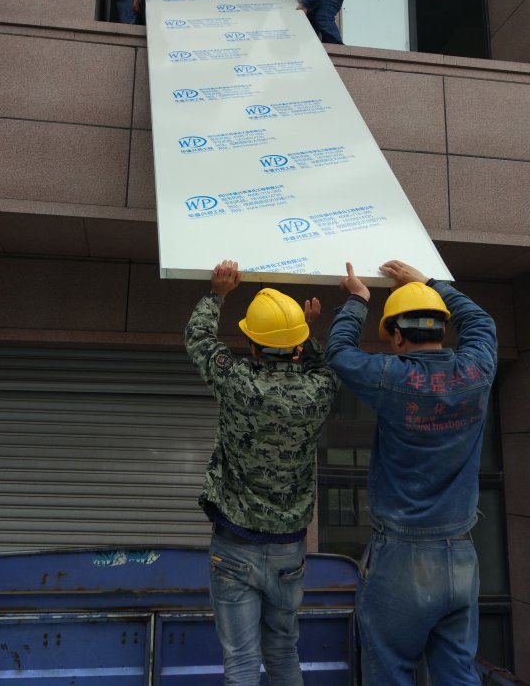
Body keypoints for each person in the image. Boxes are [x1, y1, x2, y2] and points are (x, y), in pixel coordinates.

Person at [325, 259, 498, 686]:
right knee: (458, 673)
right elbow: (481, 322)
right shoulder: (476, 370)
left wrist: (358, 298)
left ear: (397, 337)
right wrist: (431, 283)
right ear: (442, 329)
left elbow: (339, 352)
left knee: (390, 671)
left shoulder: (393, 378)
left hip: (402, 558)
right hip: (461, 554)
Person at [184, 259, 339, 686]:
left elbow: (198, 337)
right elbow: (323, 366)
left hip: (235, 544)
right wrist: (303, 332)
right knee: (284, 651)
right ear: (297, 346)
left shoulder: (236, 382)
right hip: (289, 548)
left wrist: (217, 293)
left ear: (252, 346)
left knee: (241, 661)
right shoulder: (320, 390)